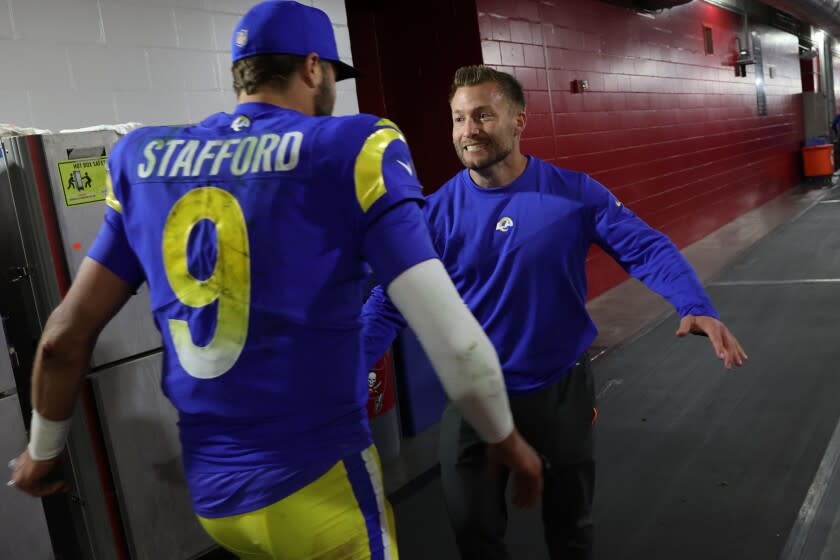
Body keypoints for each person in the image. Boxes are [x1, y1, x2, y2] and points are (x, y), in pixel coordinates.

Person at [9, 7, 543, 559]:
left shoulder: (142, 157)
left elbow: (61, 339)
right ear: (313, 68)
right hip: (318, 485)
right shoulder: (351, 147)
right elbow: (452, 338)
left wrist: (41, 454)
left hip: (216, 500)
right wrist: (507, 440)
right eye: (333, 74)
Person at [360, 65, 748, 560]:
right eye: (458, 119)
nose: (468, 130)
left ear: (518, 120)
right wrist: (347, 372)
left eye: (483, 115)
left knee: (570, 527)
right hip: (473, 393)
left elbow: (646, 248)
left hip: (559, 390)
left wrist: (694, 304)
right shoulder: (434, 214)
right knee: (472, 528)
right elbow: (389, 300)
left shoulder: (573, 193)